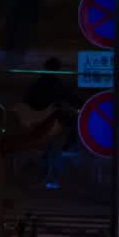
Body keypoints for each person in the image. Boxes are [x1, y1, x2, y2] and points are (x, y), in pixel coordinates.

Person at [24, 58, 81, 189]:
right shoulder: (55, 84)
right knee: (67, 128)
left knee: (49, 146)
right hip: (49, 121)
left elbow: (27, 99)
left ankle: (49, 167)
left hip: (37, 121)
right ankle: (66, 149)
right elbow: (69, 97)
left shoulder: (38, 83)